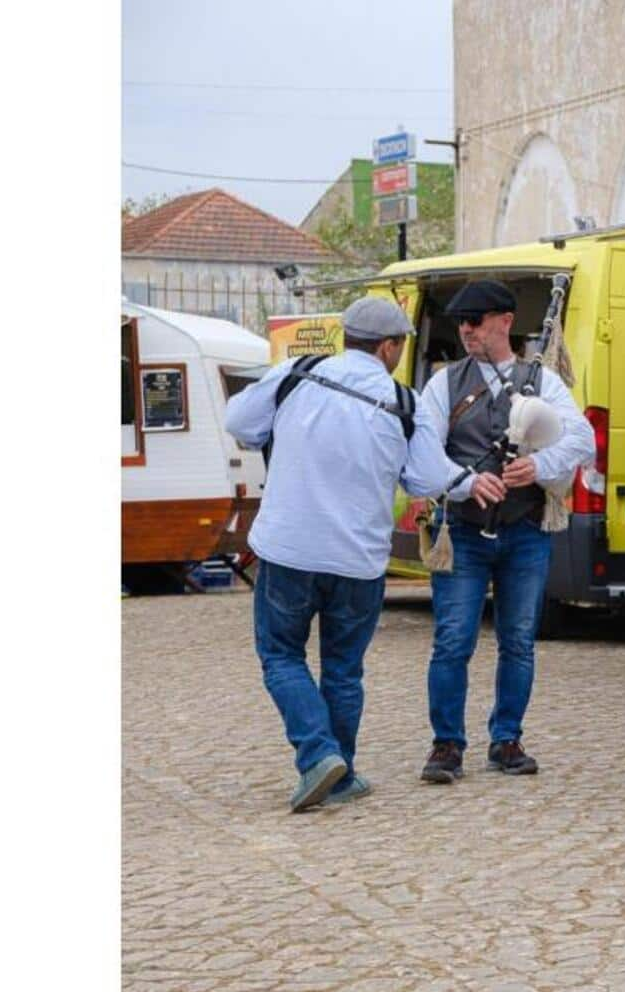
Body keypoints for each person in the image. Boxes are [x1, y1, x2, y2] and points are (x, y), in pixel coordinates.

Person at [226, 297, 506, 811]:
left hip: (289, 548)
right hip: (359, 559)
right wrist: (470, 482)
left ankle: (317, 756)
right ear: (388, 346)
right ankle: (342, 771)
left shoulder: (297, 373)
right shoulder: (404, 402)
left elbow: (240, 422)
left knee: (281, 654)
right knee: (343, 668)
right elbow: (425, 477)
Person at [417, 280, 594, 783]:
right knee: (453, 640)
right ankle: (446, 744)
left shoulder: (543, 379)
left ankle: (507, 738)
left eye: (476, 320)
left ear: (505, 322)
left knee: (518, 640)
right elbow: (425, 452)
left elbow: (581, 438)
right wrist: (466, 481)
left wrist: (537, 467)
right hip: (465, 530)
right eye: (462, 322)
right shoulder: (443, 383)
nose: (466, 330)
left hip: (526, 529)